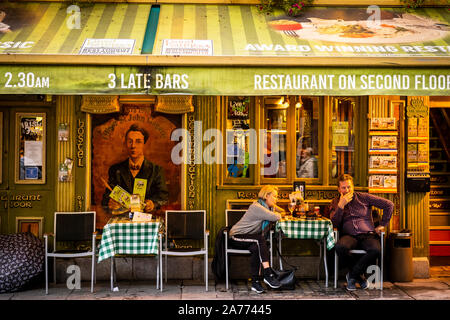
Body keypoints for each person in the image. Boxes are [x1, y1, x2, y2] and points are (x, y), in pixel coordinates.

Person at [329, 174, 393, 291]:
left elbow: (389, 205)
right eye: (343, 188)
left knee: (376, 250)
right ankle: (359, 277)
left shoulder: (364, 197)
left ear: (353, 187)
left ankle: (353, 276)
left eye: (349, 187)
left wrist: (382, 224)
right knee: (340, 247)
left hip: (367, 234)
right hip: (349, 236)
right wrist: (340, 206)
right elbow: (334, 224)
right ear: (339, 189)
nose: (347, 190)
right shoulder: (335, 202)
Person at [228, 185, 285, 294]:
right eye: (274, 196)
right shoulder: (257, 207)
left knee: (256, 248)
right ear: (267, 196)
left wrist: (275, 207)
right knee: (260, 240)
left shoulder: (267, 207)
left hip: (249, 238)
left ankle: (255, 283)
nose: (276, 199)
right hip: (236, 236)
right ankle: (268, 274)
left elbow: (281, 211)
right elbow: (276, 217)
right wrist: (278, 212)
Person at [102, 124, 169, 213]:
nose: (133, 146)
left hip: (147, 219)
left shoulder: (156, 170)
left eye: (138, 141)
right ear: (125, 143)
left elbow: (163, 197)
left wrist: (153, 203)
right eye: (130, 141)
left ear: (144, 144)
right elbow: (106, 198)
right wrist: (110, 203)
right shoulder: (115, 169)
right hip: (123, 220)